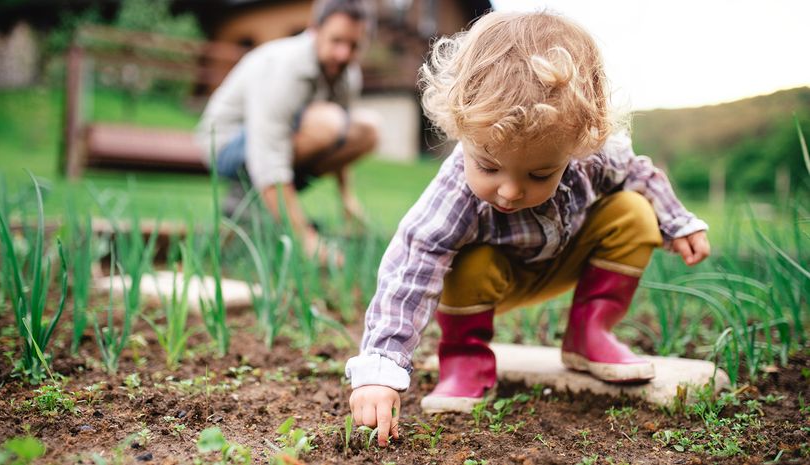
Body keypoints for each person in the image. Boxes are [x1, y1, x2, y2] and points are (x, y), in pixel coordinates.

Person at [345, 10, 711, 446]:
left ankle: (589, 334)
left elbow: (640, 173)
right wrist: (381, 369)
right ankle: (464, 358)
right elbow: (411, 264)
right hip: (489, 283)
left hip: (564, 258)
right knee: (461, 259)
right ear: (461, 131)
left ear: (577, 145)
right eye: (488, 166)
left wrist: (677, 222)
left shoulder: (590, 155)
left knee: (633, 210)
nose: (510, 190)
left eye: (540, 174)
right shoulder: (455, 192)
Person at [196, 0, 378, 263]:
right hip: (226, 145)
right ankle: (250, 203)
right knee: (328, 121)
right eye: (336, 41)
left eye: (354, 46)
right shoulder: (284, 67)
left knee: (368, 131)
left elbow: (342, 138)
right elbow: (268, 153)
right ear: (314, 30)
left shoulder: (348, 73)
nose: (343, 54)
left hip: (279, 142)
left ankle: (265, 207)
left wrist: (347, 199)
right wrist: (305, 238)